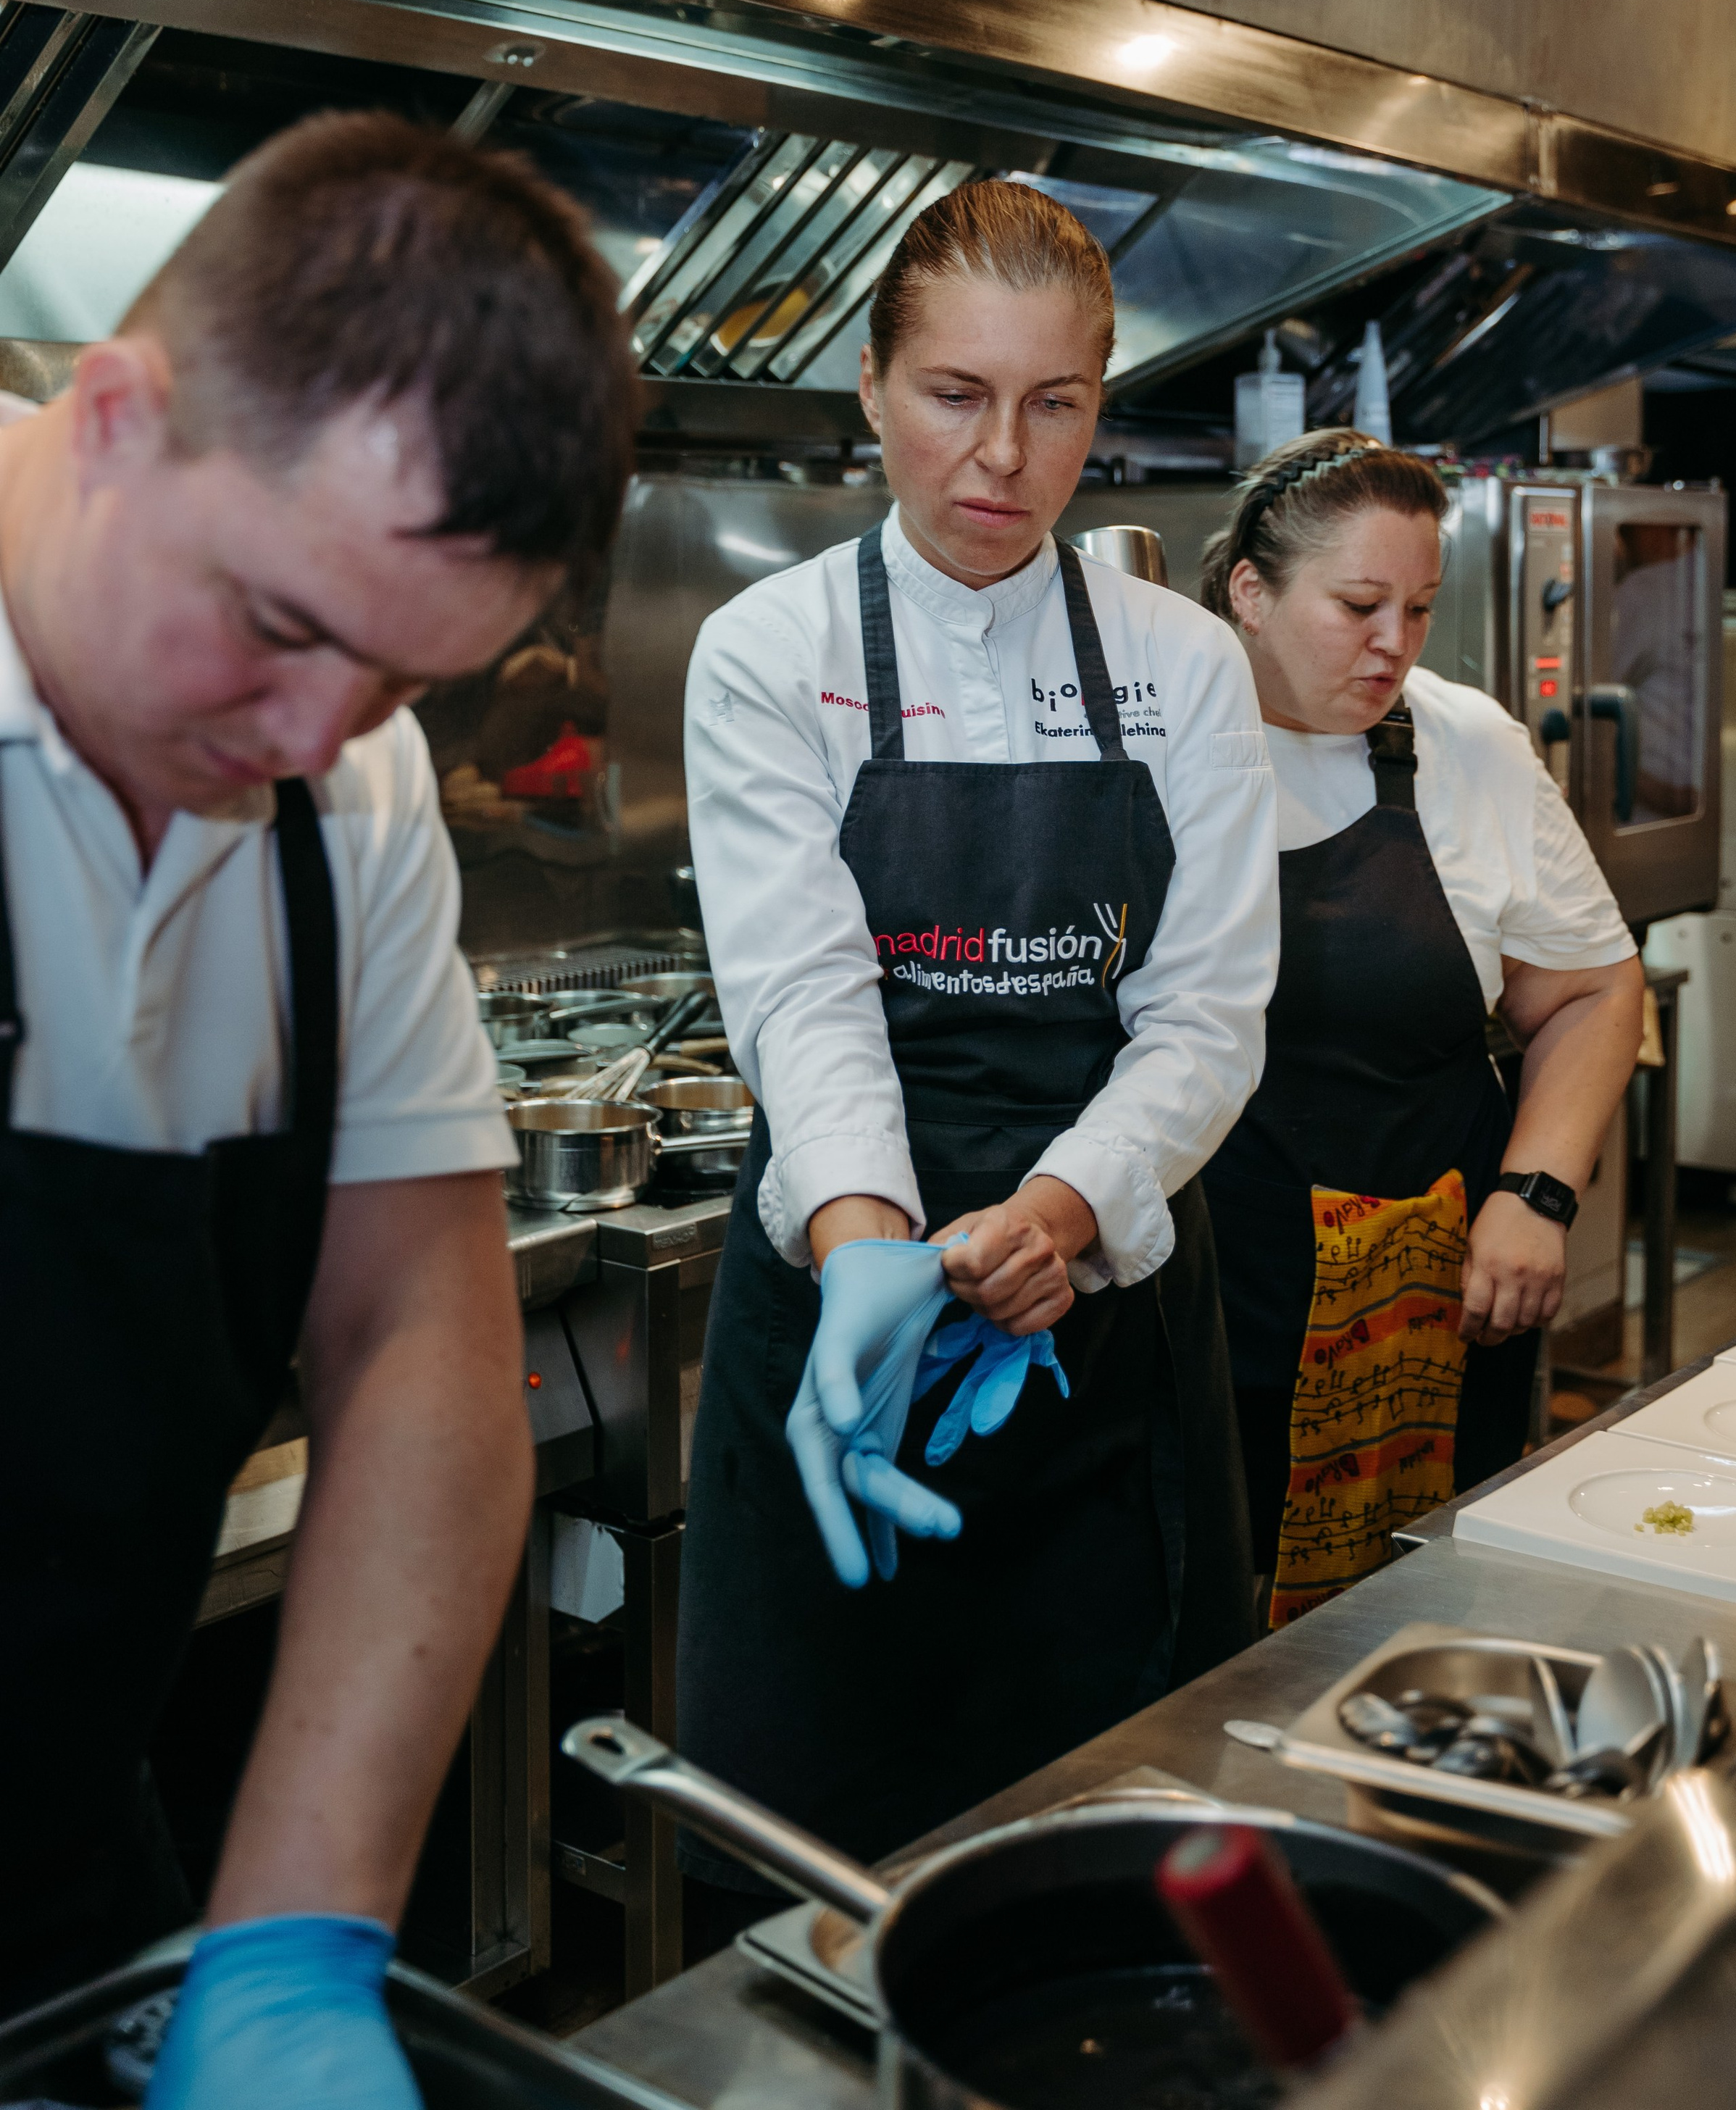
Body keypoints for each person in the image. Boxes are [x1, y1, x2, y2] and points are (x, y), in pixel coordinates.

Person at [0, 115, 633, 2103]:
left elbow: (419, 1335)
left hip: (51, 1877)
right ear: (114, 414)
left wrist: (287, 1946)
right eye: (278, 629)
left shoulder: (334, 790)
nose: (308, 740)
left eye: (390, 688)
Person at [676, 178, 1279, 1946]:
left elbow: (1206, 1007)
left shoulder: (1181, 664)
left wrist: (1062, 1212)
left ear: (1101, 399)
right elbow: (803, 993)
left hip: (1091, 1322)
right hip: (841, 1323)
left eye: (1056, 403)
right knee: (810, 1895)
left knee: (1115, 1889)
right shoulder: (767, 652)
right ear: (868, 386)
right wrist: (874, 1245)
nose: (1002, 456)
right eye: (952, 394)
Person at [1195, 430, 1645, 1628]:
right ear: (1250, 591)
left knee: (1422, 1633)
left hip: (1427, 1315)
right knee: (1201, 1653)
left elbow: (1597, 990)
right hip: (1203, 1312)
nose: (1395, 643)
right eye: (1358, 606)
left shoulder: (1464, 745)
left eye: (1419, 607)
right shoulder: (1159, 739)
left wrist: (1538, 1196)